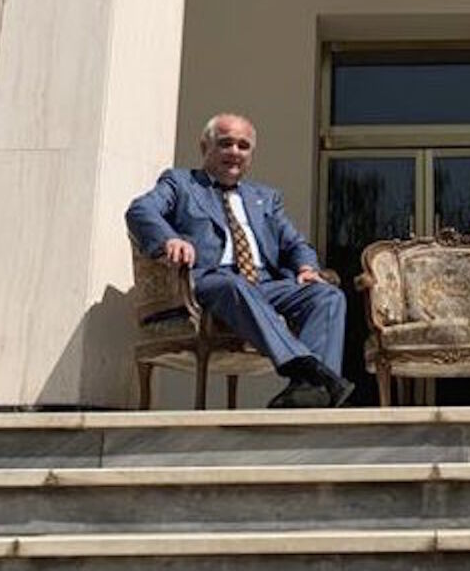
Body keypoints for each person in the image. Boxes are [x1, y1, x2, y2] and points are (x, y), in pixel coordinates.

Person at [126, 113, 352, 408]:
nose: (234, 152)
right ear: (205, 147)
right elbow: (141, 210)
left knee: (327, 295)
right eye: (225, 143)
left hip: (264, 285)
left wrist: (306, 267)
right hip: (211, 282)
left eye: (243, 146)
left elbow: (295, 243)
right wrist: (169, 239)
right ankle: (307, 369)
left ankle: (310, 391)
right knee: (232, 284)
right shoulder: (181, 183)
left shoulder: (265, 198)